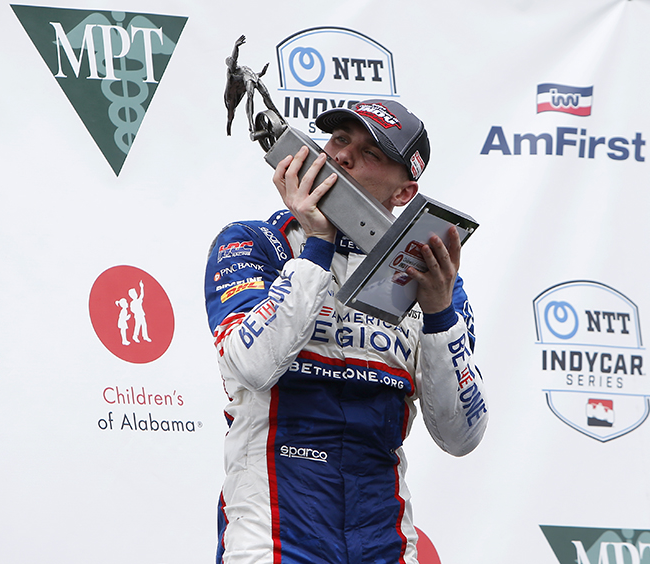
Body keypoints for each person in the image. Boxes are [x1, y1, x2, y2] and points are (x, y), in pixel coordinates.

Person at [205, 99, 489, 564]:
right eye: (338, 139)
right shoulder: (254, 243)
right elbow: (251, 365)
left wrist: (438, 313)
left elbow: (462, 436)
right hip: (276, 534)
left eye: (370, 153)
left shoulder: (434, 283)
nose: (341, 156)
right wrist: (317, 245)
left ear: (404, 193)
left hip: (383, 540)